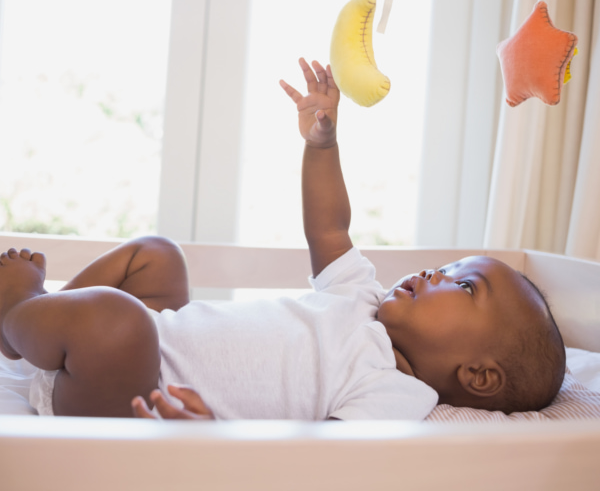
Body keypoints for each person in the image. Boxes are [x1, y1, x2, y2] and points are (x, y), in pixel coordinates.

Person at [0, 59, 565, 420]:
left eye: (463, 287)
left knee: (116, 322)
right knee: (156, 254)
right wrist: (321, 145)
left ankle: (21, 308)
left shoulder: (396, 396)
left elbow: (314, 465)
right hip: (152, 338)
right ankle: (31, 334)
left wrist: (207, 436)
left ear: (479, 376)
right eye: (448, 266)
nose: (433, 274)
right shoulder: (360, 299)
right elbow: (330, 228)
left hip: (127, 395)